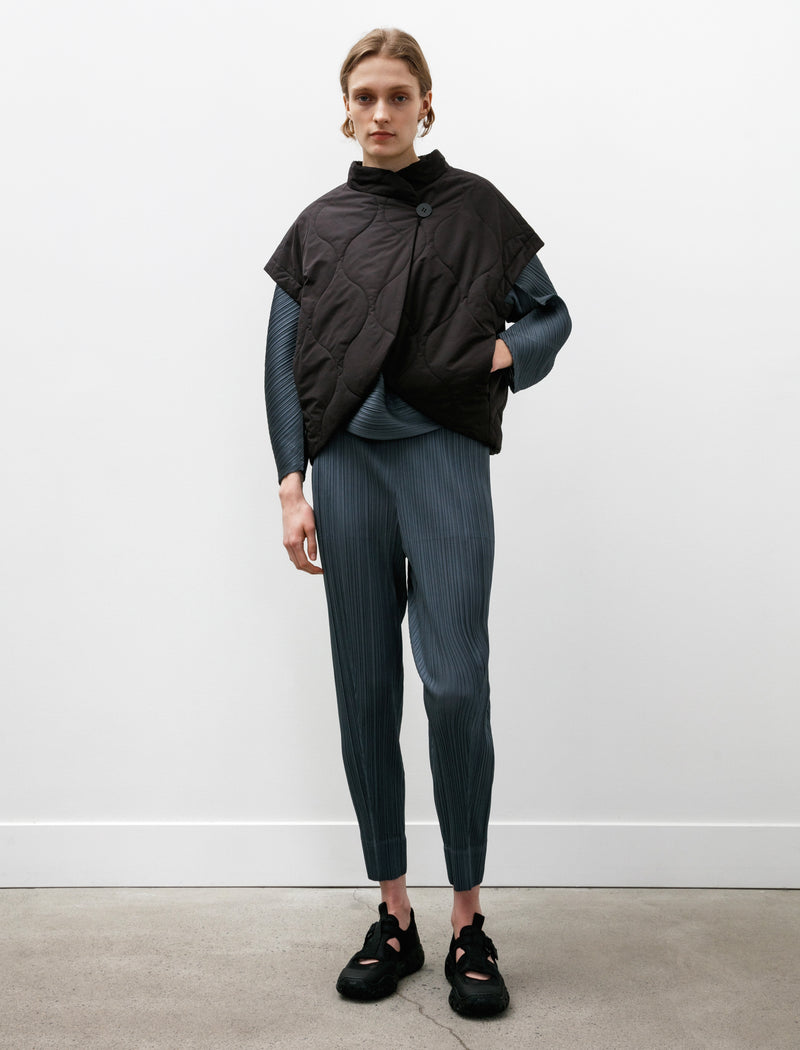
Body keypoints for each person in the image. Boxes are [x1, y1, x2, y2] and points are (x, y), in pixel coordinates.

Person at [263, 27, 572, 1017]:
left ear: (426, 105)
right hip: (348, 470)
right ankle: (392, 913)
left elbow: (550, 315)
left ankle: (468, 920)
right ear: (345, 109)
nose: (382, 112)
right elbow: (282, 362)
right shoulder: (318, 225)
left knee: (455, 684)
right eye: (366, 96)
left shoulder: (476, 207)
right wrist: (291, 486)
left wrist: (495, 358)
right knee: (364, 690)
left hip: (443, 459)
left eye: (399, 95)